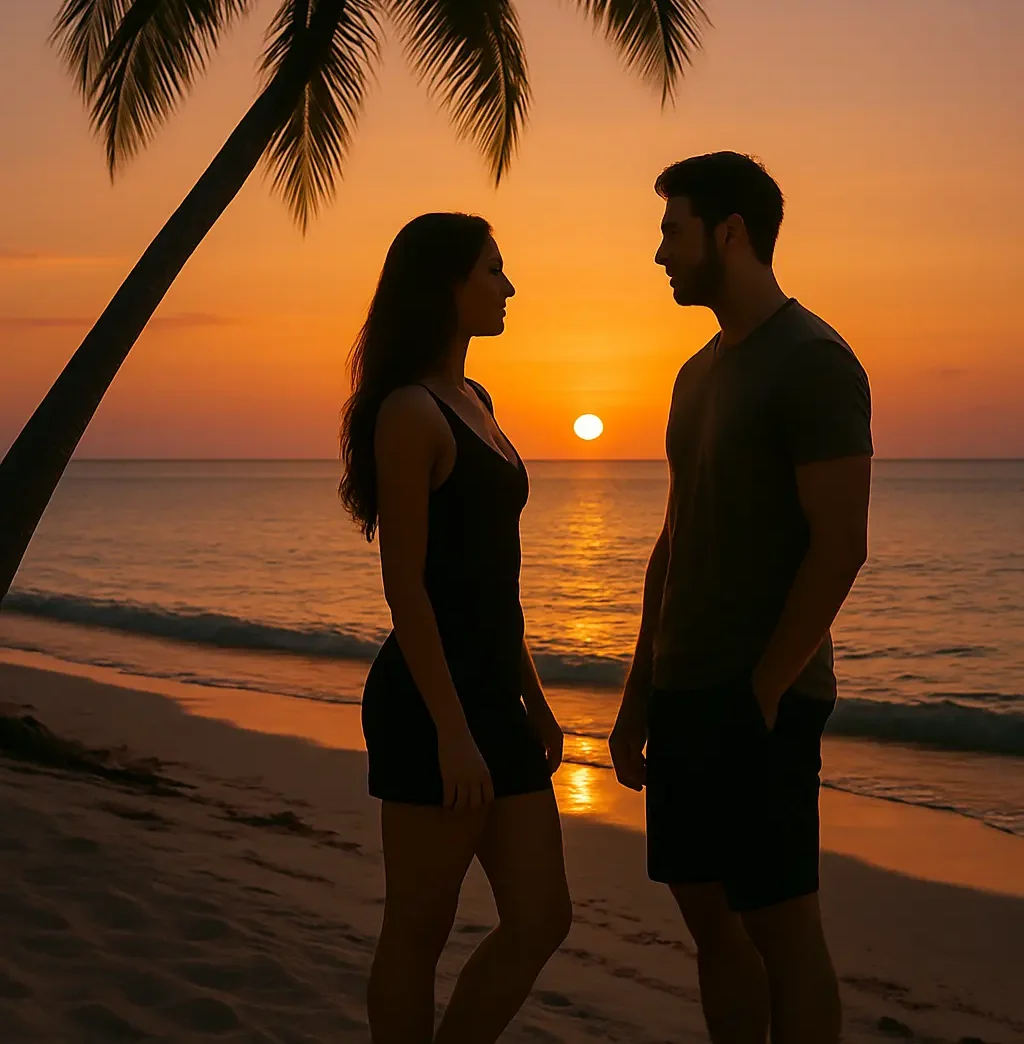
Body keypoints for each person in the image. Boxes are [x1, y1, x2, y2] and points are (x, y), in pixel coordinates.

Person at [609, 153, 872, 1044]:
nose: (659, 255)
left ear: (732, 234)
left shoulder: (816, 363)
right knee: (709, 923)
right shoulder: (694, 374)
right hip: (684, 692)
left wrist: (765, 688)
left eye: (671, 231)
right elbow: (676, 538)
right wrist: (639, 692)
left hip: (764, 698)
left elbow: (840, 546)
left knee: (782, 924)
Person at [339, 213, 572, 1044]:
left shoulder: (478, 401)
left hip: (490, 700)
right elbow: (408, 587)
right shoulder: (409, 412)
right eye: (494, 270)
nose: (508, 287)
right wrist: (452, 732)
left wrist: (532, 703)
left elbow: (492, 587)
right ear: (447, 285)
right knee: (420, 928)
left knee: (543, 916)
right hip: (428, 705)